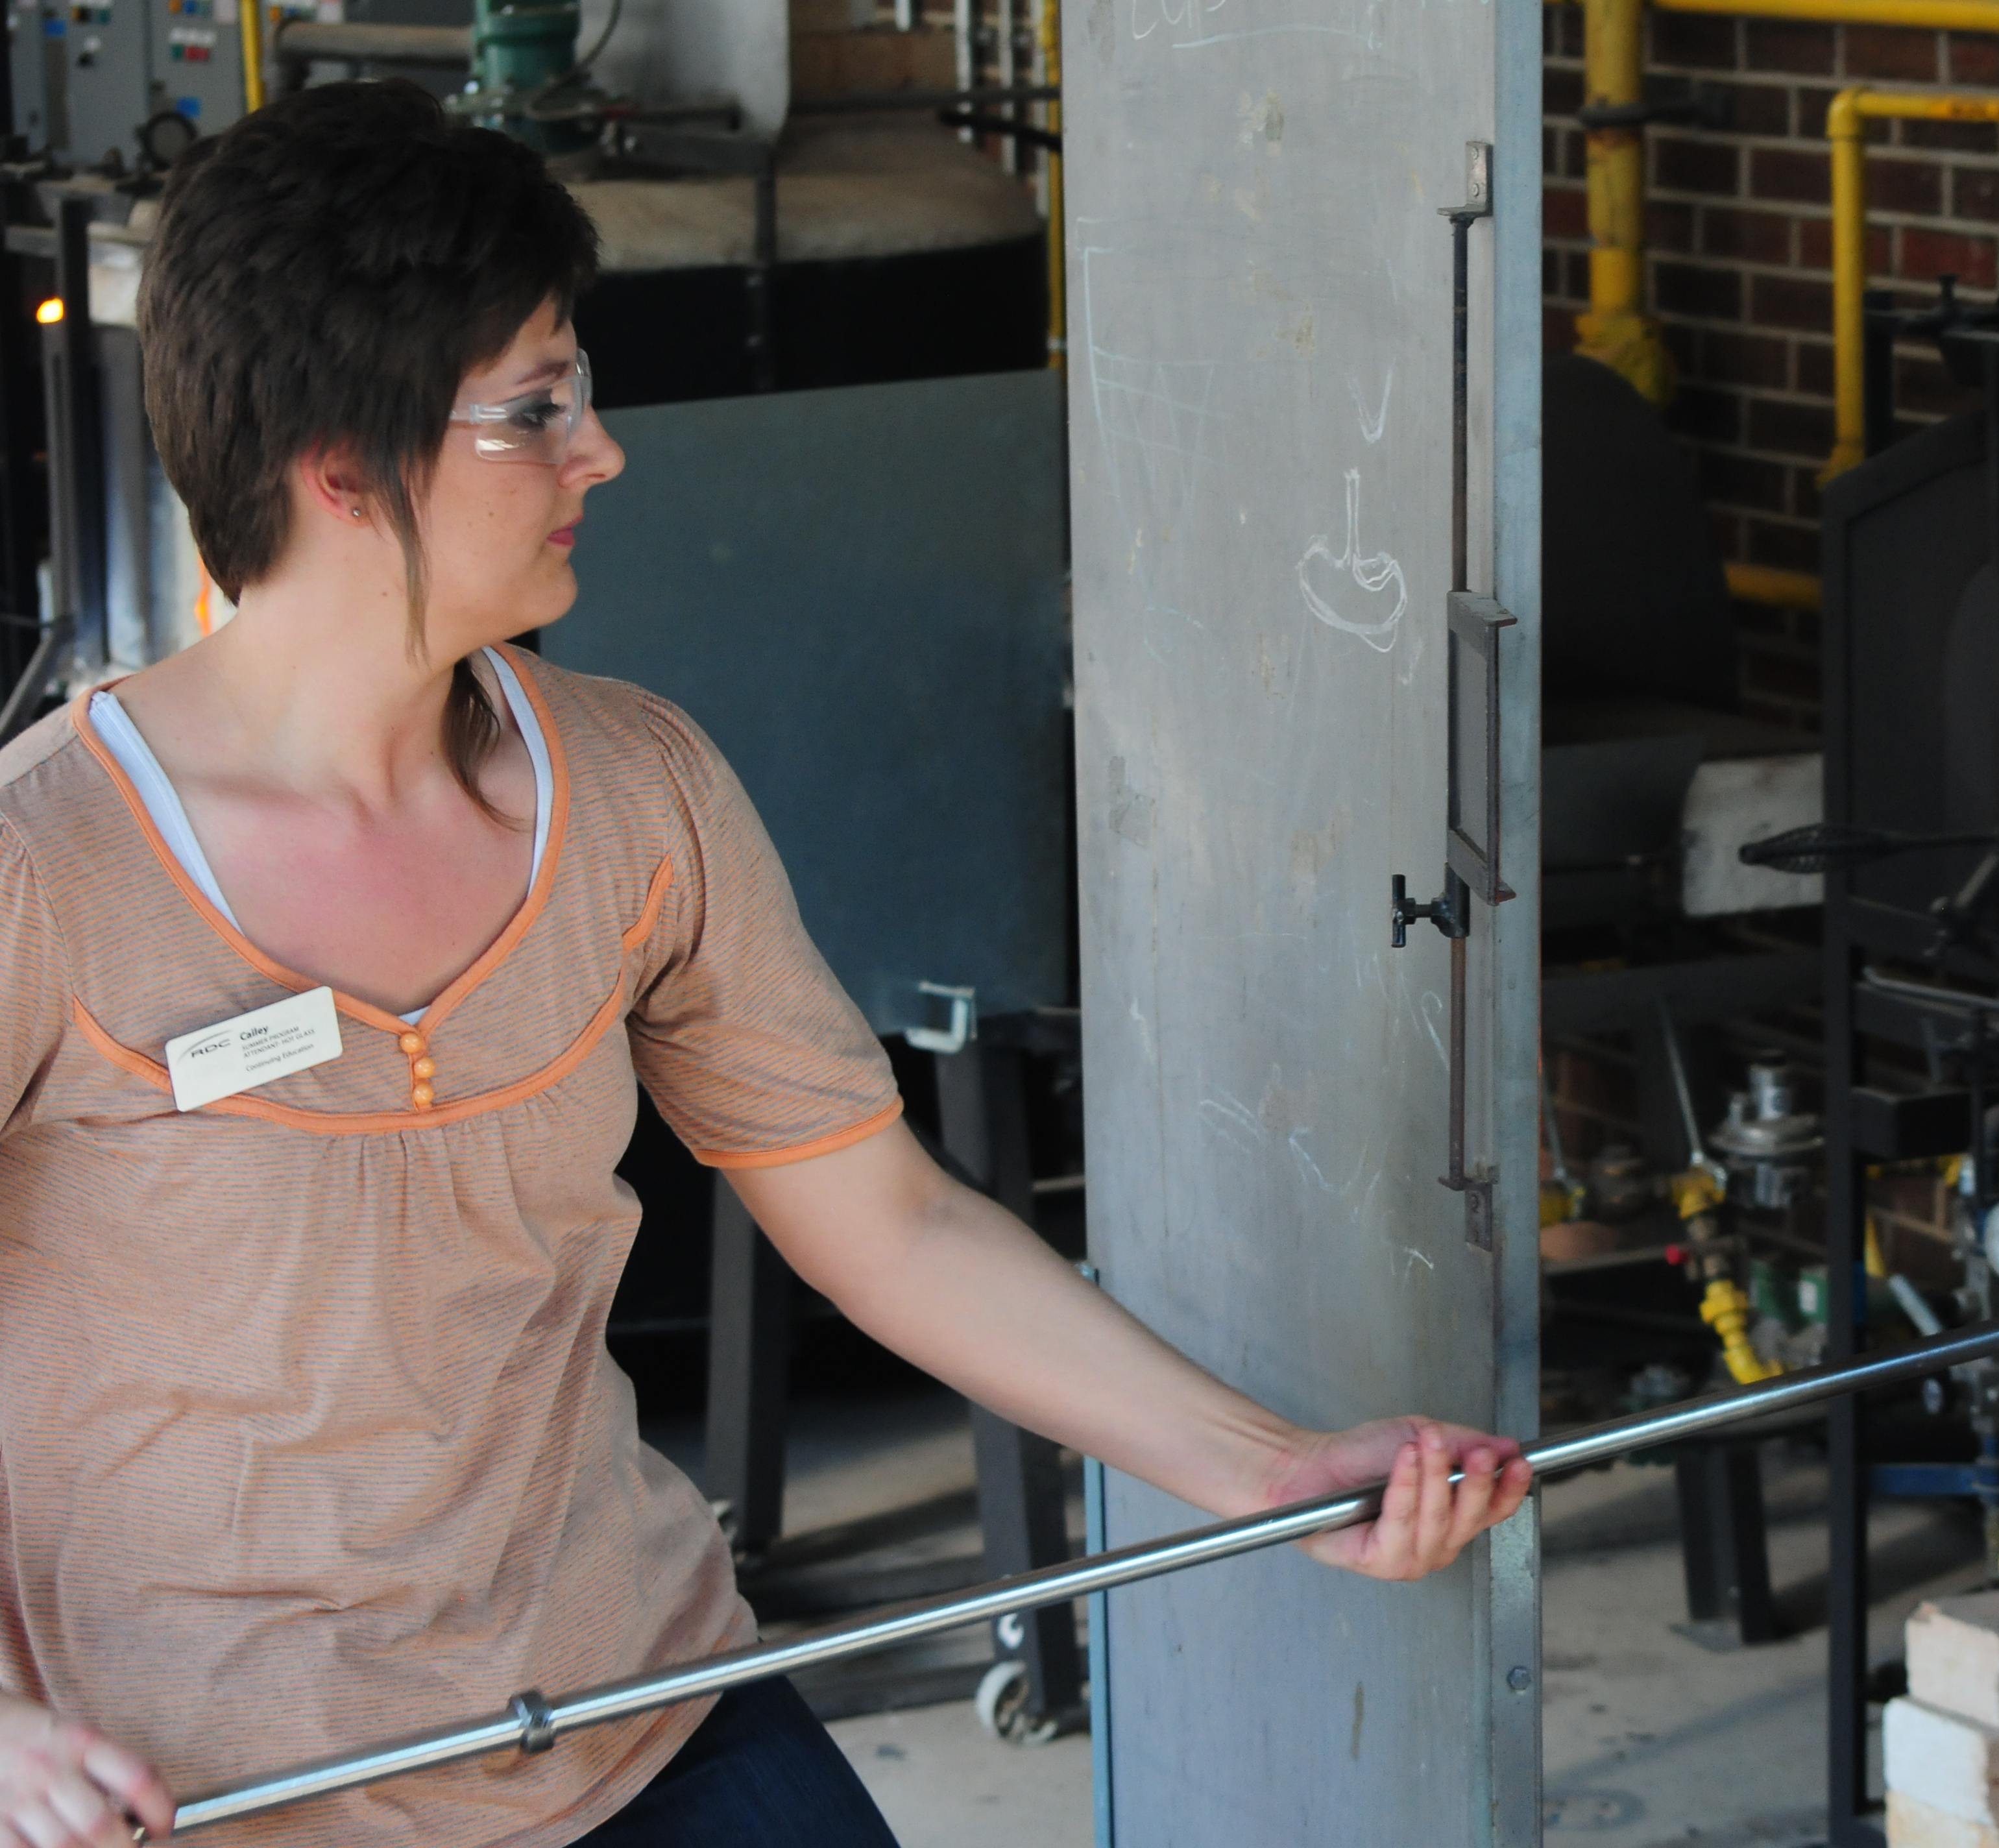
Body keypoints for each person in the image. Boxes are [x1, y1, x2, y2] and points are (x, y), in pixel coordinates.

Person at [0, 79, 1531, 1848]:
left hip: (630, 1709)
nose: (605, 452)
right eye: (538, 409)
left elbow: (884, 1221)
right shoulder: (48, 867)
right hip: (215, 1795)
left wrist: (1264, 1471)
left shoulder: (639, 789)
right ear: (343, 468)